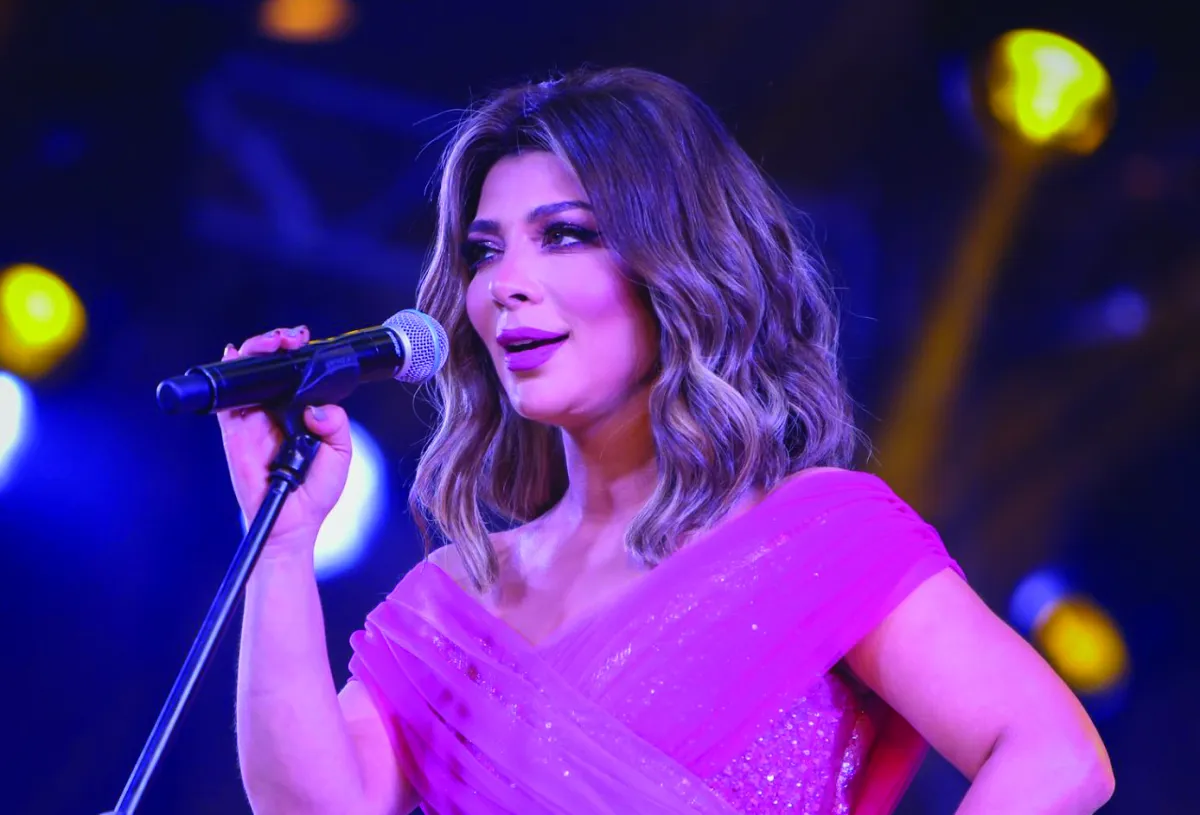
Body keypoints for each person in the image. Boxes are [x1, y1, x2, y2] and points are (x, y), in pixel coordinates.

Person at [223, 67, 1114, 814]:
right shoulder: (453, 605)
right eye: (486, 252)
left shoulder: (813, 535)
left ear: (677, 266)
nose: (505, 285)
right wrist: (282, 543)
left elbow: (1053, 756)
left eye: (565, 236)